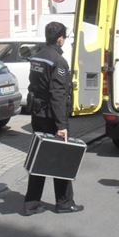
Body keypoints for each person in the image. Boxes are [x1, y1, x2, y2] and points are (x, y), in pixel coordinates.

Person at [22, 21, 84, 216]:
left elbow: (34, 86)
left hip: (38, 114)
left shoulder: (37, 57)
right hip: (52, 117)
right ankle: (64, 203)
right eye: (64, 38)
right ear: (60, 39)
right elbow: (57, 95)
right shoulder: (58, 62)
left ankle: (31, 203)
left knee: (39, 159)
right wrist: (62, 125)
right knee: (61, 159)